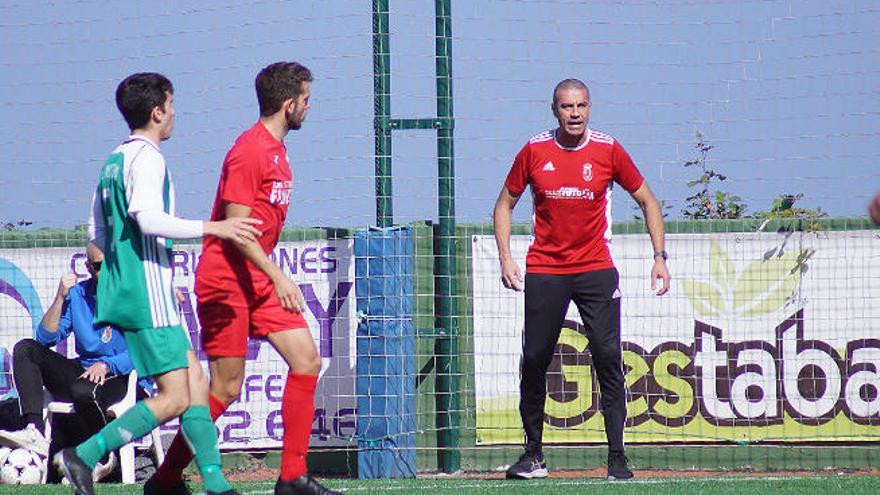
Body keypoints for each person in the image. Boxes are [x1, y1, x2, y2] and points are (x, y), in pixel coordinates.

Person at [54, 72, 262, 495]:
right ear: (157, 111)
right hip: (148, 295)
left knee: (195, 381)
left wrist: (120, 270)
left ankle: (216, 484)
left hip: (140, 291)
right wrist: (216, 228)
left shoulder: (113, 161)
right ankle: (86, 453)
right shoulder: (148, 159)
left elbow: (95, 234)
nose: (174, 113)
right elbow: (148, 220)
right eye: (171, 104)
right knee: (175, 396)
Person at [144, 62, 340, 495]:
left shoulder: (278, 151)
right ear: (289, 105)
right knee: (226, 388)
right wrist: (280, 275)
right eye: (306, 99)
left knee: (306, 361)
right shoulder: (249, 151)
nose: (310, 106)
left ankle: (292, 477)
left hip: (257, 280)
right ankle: (164, 478)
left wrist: (270, 276)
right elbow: (236, 231)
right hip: (226, 282)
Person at [493, 79, 671, 481]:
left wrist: (659, 258)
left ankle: (617, 459)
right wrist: (506, 258)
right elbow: (504, 204)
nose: (574, 113)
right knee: (535, 360)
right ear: (554, 110)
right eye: (566, 106)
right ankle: (534, 455)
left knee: (608, 359)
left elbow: (648, 200)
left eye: (581, 106)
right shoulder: (535, 150)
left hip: (595, 270)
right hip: (546, 270)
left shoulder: (608, 149)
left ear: (590, 108)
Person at [0, 242, 136, 481]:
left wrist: (107, 365)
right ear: (88, 267)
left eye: (111, 264)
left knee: (83, 390)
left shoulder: (134, 295)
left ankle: (104, 458)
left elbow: (142, 348)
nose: (105, 271)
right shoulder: (79, 294)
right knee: (26, 349)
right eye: (98, 266)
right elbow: (45, 338)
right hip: (84, 370)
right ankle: (35, 432)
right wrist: (60, 297)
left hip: (121, 375)